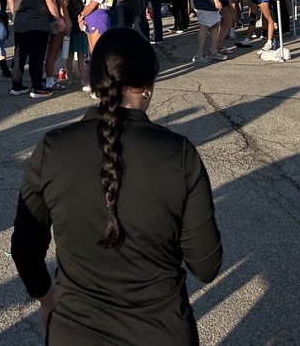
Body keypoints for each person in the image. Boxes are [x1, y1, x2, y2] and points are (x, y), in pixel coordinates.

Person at [11, 30, 222, 344]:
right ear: (148, 86)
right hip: (161, 332)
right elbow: (205, 265)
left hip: (74, 332)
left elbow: (25, 249)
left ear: (95, 82)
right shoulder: (178, 154)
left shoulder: (53, 149)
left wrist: (46, 295)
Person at [6, 0, 67, 99]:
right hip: (38, 23)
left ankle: (16, 85)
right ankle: (37, 87)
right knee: (36, 56)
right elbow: (50, 1)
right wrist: (58, 19)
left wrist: (15, 14)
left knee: (19, 54)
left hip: (20, 23)